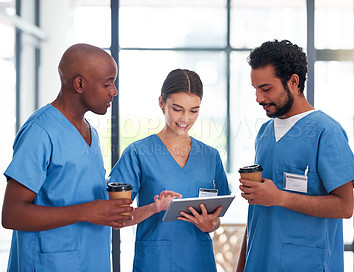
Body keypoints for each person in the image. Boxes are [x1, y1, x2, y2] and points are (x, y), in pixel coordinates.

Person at [1, 43, 134, 272]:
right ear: (79, 84)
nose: (114, 91)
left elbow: (72, 188)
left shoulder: (90, 131)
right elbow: (12, 214)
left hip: (92, 260)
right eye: (107, 83)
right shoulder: (40, 132)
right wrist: (87, 211)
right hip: (50, 264)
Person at [236, 39, 354, 272]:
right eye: (255, 89)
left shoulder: (326, 132)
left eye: (266, 89)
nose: (258, 98)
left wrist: (280, 197)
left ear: (293, 82)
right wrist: (242, 266)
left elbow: (346, 207)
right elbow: (258, 209)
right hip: (260, 262)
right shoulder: (265, 132)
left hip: (307, 263)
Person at [109, 68, 231, 272]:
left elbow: (217, 218)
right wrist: (154, 208)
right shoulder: (138, 153)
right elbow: (116, 220)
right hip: (156, 263)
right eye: (177, 108)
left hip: (199, 262)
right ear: (161, 103)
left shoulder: (210, 156)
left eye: (194, 110)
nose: (185, 118)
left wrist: (209, 225)